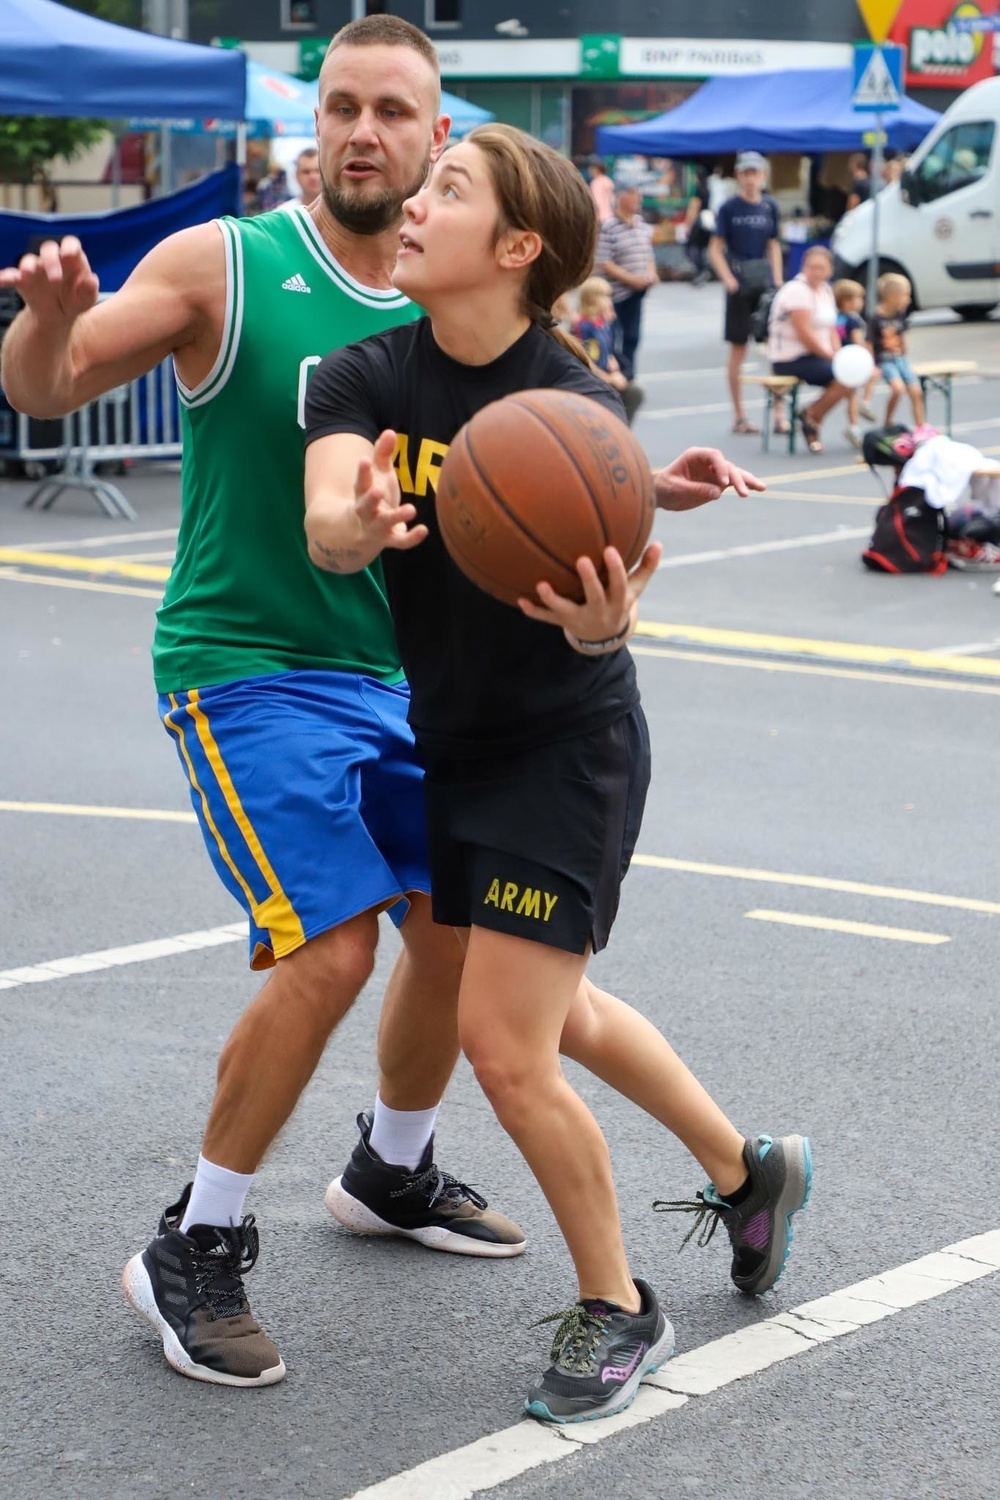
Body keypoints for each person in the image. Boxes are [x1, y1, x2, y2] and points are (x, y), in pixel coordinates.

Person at [0, 14, 531, 1393]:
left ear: (435, 140)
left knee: (458, 929)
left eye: (393, 113)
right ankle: (196, 1236)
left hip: (401, 678)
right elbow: (53, 384)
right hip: (245, 665)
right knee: (332, 946)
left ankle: (391, 1171)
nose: (363, 131)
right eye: (342, 106)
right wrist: (47, 327)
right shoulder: (228, 264)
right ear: (315, 128)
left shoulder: (452, 306)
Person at [302, 124, 812, 1425]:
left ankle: (618, 1305)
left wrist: (606, 618)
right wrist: (352, 527)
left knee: (503, 1043)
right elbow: (325, 521)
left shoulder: (580, 404)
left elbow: (604, 570)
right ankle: (746, 1172)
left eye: (449, 190)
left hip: (566, 751)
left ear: (518, 248)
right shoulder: (361, 376)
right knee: (559, 1012)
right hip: (453, 746)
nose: (415, 205)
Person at [708, 150, 785, 436]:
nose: (751, 179)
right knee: (738, 348)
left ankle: (778, 412)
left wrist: (777, 279)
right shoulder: (730, 208)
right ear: (739, 176)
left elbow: (773, 243)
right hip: (739, 284)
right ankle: (739, 414)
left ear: (763, 176)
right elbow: (715, 247)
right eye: (745, 173)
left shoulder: (769, 207)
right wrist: (727, 278)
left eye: (755, 173)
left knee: (775, 348)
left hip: (763, 283)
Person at [767, 245, 850, 454]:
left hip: (816, 356)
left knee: (850, 375)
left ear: (830, 270)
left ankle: (811, 415)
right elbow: (804, 334)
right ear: (804, 267)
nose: (816, 272)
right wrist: (830, 356)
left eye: (821, 268)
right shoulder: (797, 291)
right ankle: (811, 419)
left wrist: (837, 352)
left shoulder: (826, 290)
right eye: (812, 267)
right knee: (845, 377)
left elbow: (831, 328)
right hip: (791, 357)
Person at [595, 183, 658, 382]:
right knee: (611, 339)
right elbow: (604, 262)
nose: (637, 198)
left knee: (633, 337)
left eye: (638, 194)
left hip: (637, 292)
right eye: (632, 194)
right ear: (621, 198)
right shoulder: (609, 227)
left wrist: (651, 273)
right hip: (616, 294)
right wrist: (631, 279)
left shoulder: (640, 223)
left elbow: (647, 254)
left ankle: (629, 377)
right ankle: (612, 378)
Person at [572, 275, 645, 425]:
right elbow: (586, 363)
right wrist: (610, 379)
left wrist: (614, 366)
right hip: (591, 383)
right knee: (628, 396)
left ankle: (621, 430)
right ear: (593, 300)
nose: (609, 301)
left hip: (603, 377)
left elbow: (607, 352)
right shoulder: (584, 328)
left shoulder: (601, 324)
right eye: (605, 297)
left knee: (634, 393)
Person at [869, 271, 925, 427]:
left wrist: (904, 352)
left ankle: (921, 426)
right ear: (890, 296)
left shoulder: (900, 315)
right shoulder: (876, 318)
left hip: (900, 358)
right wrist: (873, 364)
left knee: (916, 391)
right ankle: (888, 421)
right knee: (897, 389)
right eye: (904, 295)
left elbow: (901, 337)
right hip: (885, 360)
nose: (908, 300)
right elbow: (870, 343)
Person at [834, 277, 869, 449]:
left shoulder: (836, 318)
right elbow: (858, 341)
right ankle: (862, 410)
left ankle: (854, 424)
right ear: (847, 301)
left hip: (840, 361)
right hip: (853, 361)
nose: (861, 302)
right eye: (859, 299)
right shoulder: (853, 320)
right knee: (855, 393)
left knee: (851, 395)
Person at [682, 167, 713, 286]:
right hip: (707, 222)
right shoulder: (708, 189)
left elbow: (694, 207)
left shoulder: (698, 190)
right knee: (701, 248)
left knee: (691, 248)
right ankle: (703, 270)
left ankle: (701, 270)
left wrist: (688, 225)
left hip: (699, 222)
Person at [277, 145, 322, 211]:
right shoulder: (284, 214)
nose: (313, 177)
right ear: (296, 176)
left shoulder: (339, 212)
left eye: (318, 171)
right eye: (306, 172)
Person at [588, 157, 615, 223]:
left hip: (600, 218)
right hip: (610, 216)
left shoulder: (596, 183)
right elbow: (613, 200)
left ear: (596, 169)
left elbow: (596, 201)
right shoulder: (608, 181)